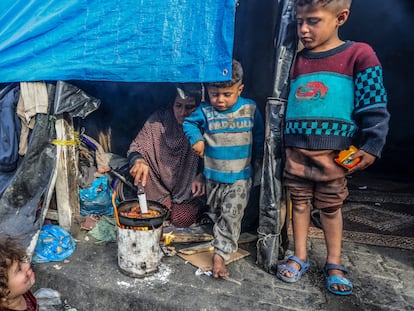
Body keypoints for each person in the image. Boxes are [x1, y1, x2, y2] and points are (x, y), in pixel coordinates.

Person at [276, 0, 390, 296]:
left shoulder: (358, 54)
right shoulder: (293, 60)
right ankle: (299, 256)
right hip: (296, 151)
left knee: (330, 207)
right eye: (299, 21)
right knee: (298, 203)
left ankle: (334, 262)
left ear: (341, 17)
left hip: (334, 156)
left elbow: (374, 105)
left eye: (313, 21)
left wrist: (372, 144)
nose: (303, 29)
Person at [183, 59, 265, 279]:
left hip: (240, 176)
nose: (220, 100)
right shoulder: (205, 111)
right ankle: (221, 237)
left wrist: (259, 160)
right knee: (218, 211)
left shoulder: (249, 109)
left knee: (230, 215)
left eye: (227, 94)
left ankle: (219, 256)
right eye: (214, 94)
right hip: (213, 176)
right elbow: (189, 124)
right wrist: (197, 139)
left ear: (240, 89)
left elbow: (258, 136)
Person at [127, 84, 206, 228]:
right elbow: (137, 147)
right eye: (178, 106)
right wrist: (138, 160)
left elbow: (216, 157)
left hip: (189, 190)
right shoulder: (159, 120)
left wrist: (203, 174)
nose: (182, 112)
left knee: (181, 218)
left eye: (189, 107)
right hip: (158, 188)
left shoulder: (204, 123)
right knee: (151, 214)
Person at [0, 238, 38, 311]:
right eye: (19, 269)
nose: (27, 264)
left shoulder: (20, 292)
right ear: (3, 292)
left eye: (21, 261)